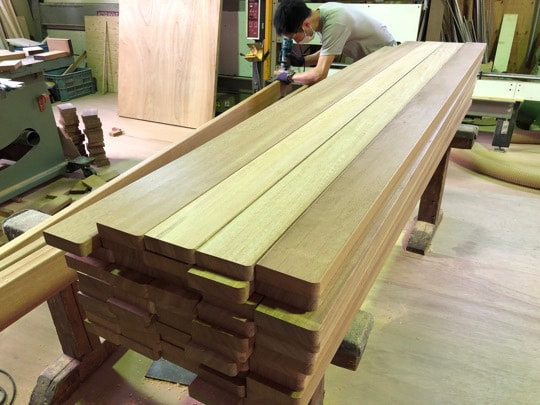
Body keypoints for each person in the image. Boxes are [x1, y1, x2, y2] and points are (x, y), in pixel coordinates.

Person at [273, 0, 397, 85]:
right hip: (369, 58)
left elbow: (319, 75)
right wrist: (302, 61)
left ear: (305, 24)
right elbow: (329, 50)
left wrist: (289, 76)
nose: (296, 41)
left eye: (294, 37)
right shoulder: (321, 15)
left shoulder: (335, 23)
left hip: (385, 57)